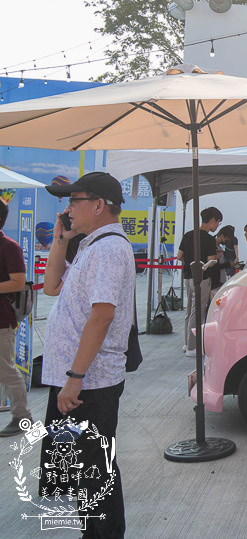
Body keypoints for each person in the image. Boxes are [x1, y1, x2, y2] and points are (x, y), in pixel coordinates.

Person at [39, 172, 134, 536]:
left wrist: (75, 379)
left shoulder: (109, 249)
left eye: (73, 201)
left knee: (95, 473)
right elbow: (51, 288)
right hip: (75, 379)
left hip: (88, 383)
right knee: (82, 473)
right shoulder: (92, 245)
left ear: (98, 205)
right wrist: (62, 241)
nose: (67, 210)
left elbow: (102, 314)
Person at [0, 199, 32, 437]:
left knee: (6, 369)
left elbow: (18, 282)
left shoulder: (9, 247)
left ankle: (22, 417)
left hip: (1, 320)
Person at [177, 207, 222, 357]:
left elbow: (179, 256)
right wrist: (216, 257)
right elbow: (211, 261)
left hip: (187, 276)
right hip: (202, 278)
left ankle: (186, 343)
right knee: (198, 312)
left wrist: (189, 262)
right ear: (212, 221)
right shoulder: (209, 239)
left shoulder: (188, 235)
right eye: (217, 223)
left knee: (189, 310)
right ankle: (192, 347)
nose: (216, 227)